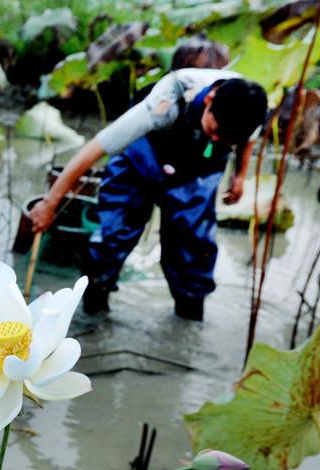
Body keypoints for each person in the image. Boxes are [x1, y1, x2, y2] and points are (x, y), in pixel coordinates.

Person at [29, 68, 269, 321]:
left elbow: (248, 140)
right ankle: (93, 311)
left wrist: (240, 176)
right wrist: (50, 202)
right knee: (113, 237)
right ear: (209, 100)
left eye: (227, 139)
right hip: (144, 154)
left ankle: (187, 322)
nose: (218, 137)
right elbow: (96, 147)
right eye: (216, 129)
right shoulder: (168, 99)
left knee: (194, 251)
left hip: (197, 167)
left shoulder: (252, 109)